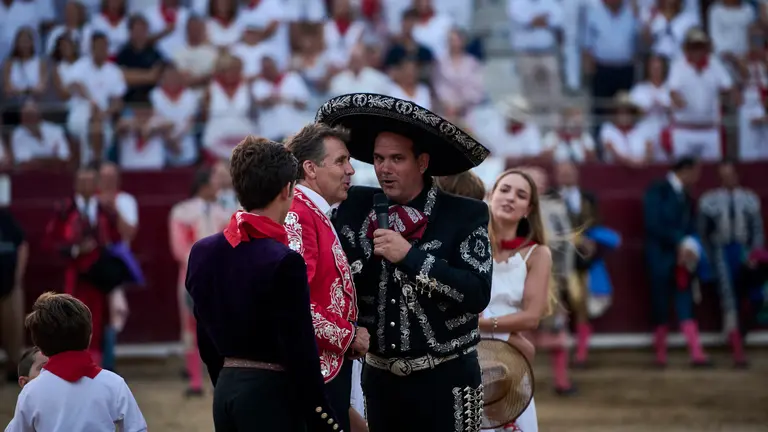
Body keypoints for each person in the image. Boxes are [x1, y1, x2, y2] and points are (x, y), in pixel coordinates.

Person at [320, 93, 493, 431]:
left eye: (397, 158)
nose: (384, 168)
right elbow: (336, 283)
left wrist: (411, 257)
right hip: (382, 379)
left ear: (422, 162)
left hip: (448, 378)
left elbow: (477, 293)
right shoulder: (353, 208)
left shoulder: (464, 214)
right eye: (378, 158)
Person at [186, 136, 341, 432]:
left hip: (226, 392)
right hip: (271, 395)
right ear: (287, 189)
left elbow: (205, 338)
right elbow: (300, 350)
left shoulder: (202, 251)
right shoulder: (284, 260)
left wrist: (227, 384)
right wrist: (325, 418)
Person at [284, 123, 368, 432]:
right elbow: (293, 300)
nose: (351, 170)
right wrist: (347, 337)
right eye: (340, 161)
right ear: (310, 168)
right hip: (315, 369)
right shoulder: (298, 213)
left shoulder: (314, 212)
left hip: (325, 365)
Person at [478, 169, 556, 432]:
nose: (510, 198)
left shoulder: (537, 253)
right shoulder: (471, 241)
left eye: (521, 195)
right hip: (468, 356)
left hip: (509, 364)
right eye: (505, 190)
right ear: (490, 195)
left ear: (528, 208)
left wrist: (486, 327)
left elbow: (531, 317)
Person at [6, 292, 147, 432]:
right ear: (89, 337)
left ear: (40, 347)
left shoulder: (31, 391)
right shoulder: (114, 383)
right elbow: (137, 428)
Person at [44, 164, 125, 366]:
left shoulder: (105, 210)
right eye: (83, 181)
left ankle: (95, 366)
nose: (87, 185)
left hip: (100, 276)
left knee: (98, 323)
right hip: (74, 276)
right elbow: (49, 243)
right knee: (73, 320)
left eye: (91, 181)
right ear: (76, 184)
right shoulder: (64, 210)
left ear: (97, 183)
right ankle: (74, 365)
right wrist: (74, 250)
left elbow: (117, 239)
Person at [168, 167, 230, 396]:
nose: (218, 186)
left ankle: (215, 380)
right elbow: (179, 248)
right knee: (192, 327)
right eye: (214, 182)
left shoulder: (222, 212)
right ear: (204, 186)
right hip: (193, 275)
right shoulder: (183, 212)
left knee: (215, 326)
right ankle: (196, 381)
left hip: (213, 276)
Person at [644, 156, 710, 367]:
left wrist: (690, 246)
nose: (697, 178)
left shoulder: (686, 196)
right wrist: (680, 242)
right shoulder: (658, 190)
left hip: (682, 259)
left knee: (685, 300)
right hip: (661, 257)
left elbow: (691, 227)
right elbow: (652, 223)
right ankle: (661, 356)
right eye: (695, 173)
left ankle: (696, 353)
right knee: (660, 305)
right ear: (686, 171)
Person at [698, 160, 763, 367]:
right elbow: (703, 233)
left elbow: (757, 231)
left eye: (730, 174)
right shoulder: (709, 200)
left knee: (755, 298)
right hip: (721, 253)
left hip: (745, 253)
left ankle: (738, 336)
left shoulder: (750, 199)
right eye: (722, 175)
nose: (727, 178)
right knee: (729, 301)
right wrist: (708, 259)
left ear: (737, 175)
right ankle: (738, 352)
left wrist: (755, 255)